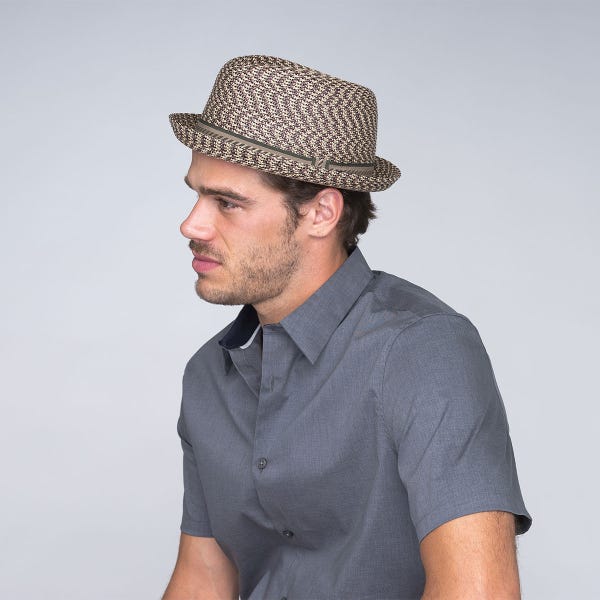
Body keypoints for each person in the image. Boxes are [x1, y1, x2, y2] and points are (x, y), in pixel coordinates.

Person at [162, 55, 532, 600]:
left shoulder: (423, 351)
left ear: (321, 213)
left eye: (227, 203)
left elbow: (479, 593)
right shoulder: (208, 374)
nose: (191, 224)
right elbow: (202, 580)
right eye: (196, 194)